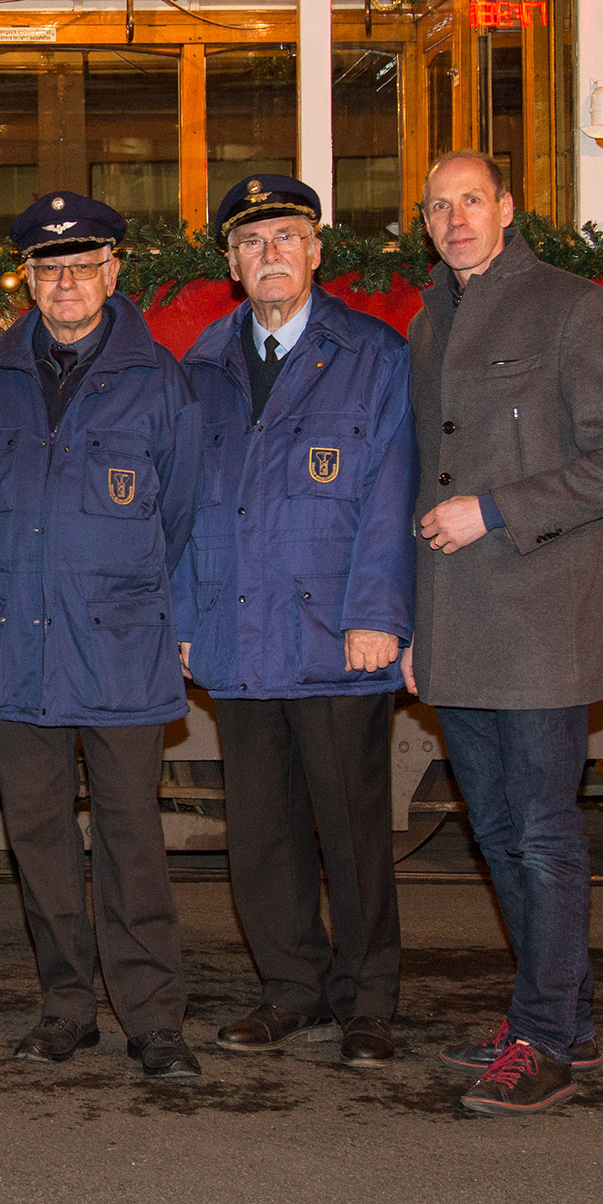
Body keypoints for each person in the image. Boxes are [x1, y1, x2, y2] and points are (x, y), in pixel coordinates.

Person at [408, 151, 603, 1116]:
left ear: (507, 209)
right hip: (459, 628)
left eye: (472, 200)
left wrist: (498, 510)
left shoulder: (572, 306)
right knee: (500, 832)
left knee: (544, 836)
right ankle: (563, 1016)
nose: (455, 218)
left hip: (542, 622)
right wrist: (418, 629)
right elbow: (423, 488)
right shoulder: (431, 324)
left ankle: (543, 1036)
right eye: (438, 206)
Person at [172, 175, 415, 1070]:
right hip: (238, 633)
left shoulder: (373, 355)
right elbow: (188, 504)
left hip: (335, 636)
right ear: (232, 265)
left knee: (351, 831)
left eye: (285, 237)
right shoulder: (203, 365)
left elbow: (392, 492)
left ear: (315, 252)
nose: (269, 254)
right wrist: (190, 616)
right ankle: (291, 989)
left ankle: (367, 1002)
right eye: (252, 242)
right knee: (262, 831)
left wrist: (379, 614)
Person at [0, 191, 203, 1080]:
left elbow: (179, 514)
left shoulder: (160, 380)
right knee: (41, 844)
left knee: (133, 840)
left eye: (83, 266)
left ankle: (153, 1021)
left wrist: (142, 605)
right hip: (15, 649)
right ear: (27, 281)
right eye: (49, 269)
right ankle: (66, 1008)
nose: (66, 282)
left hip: (119, 649)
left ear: (114, 273)